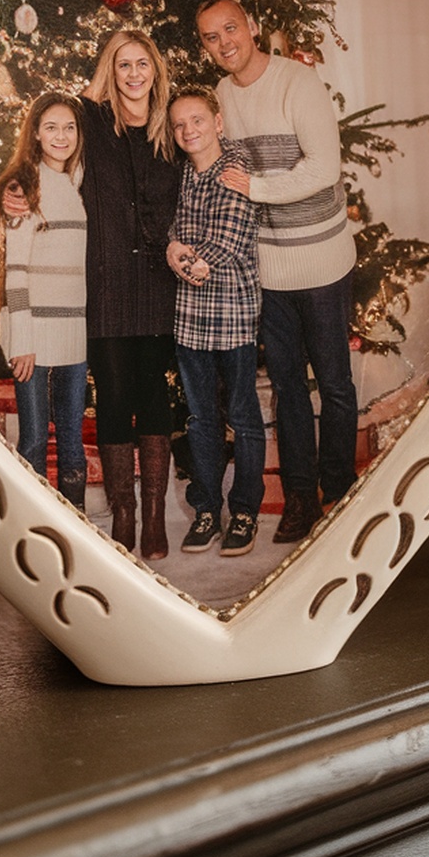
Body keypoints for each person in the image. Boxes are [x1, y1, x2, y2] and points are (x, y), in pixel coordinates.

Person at [4, 30, 179, 559]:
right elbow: (43, 144)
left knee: (153, 398)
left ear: (155, 69)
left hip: (155, 285)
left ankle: (153, 516)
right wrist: (11, 186)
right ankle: (122, 512)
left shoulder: (169, 127)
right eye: (122, 64)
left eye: (141, 63)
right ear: (110, 69)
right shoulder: (92, 122)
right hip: (101, 290)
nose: (133, 74)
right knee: (115, 399)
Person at [192, 0, 358, 543]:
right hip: (269, 265)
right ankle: (302, 500)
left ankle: (337, 490)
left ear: (254, 26)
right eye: (212, 37)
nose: (224, 43)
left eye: (231, 29)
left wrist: (256, 188)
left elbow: (325, 167)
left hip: (322, 257)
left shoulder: (298, 83)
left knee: (333, 384)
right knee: (287, 388)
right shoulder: (219, 97)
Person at [166, 88, 265, 557]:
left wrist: (192, 257)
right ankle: (207, 508)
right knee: (201, 418)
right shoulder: (185, 172)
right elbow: (176, 227)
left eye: (198, 120)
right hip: (190, 318)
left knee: (242, 415)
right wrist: (175, 249)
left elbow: (229, 234)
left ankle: (244, 510)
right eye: (180, 124)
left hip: (234, 315)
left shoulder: (236, 165)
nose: (189, 131)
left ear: (218, 122)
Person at [0, 94, 88, 509]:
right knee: (32, 437)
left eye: (69, 127)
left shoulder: (80, 181)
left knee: (71, 436)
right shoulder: (23, 186)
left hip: (75, 330)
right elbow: (16, 269)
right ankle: (35, 521)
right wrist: (22, 338)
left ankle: (77, 523)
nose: (60, 136)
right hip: (32, 331)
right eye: (51, 127)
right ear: (35, 133)